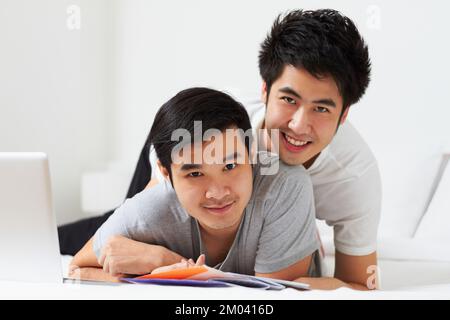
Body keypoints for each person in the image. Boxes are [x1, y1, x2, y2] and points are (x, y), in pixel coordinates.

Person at [61, 9, 381, 290]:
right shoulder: (214, 130)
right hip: (175, 147)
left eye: (321, 109)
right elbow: (160, 210)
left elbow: (358, 285)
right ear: (265, 91)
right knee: (101, 232)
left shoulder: (354, 177)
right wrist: (155, 256)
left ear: (344, 113)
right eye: (289, 99)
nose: (298, 125)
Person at [69, 87, 321, 282]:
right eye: (195, 174)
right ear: (166, 174)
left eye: (230, 167)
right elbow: (77, 268)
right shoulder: (152, 208)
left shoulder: (285, 188)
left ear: (251, 156)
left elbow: (272, 300)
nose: (218, 192)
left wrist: (177, 274)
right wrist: (159, 261)